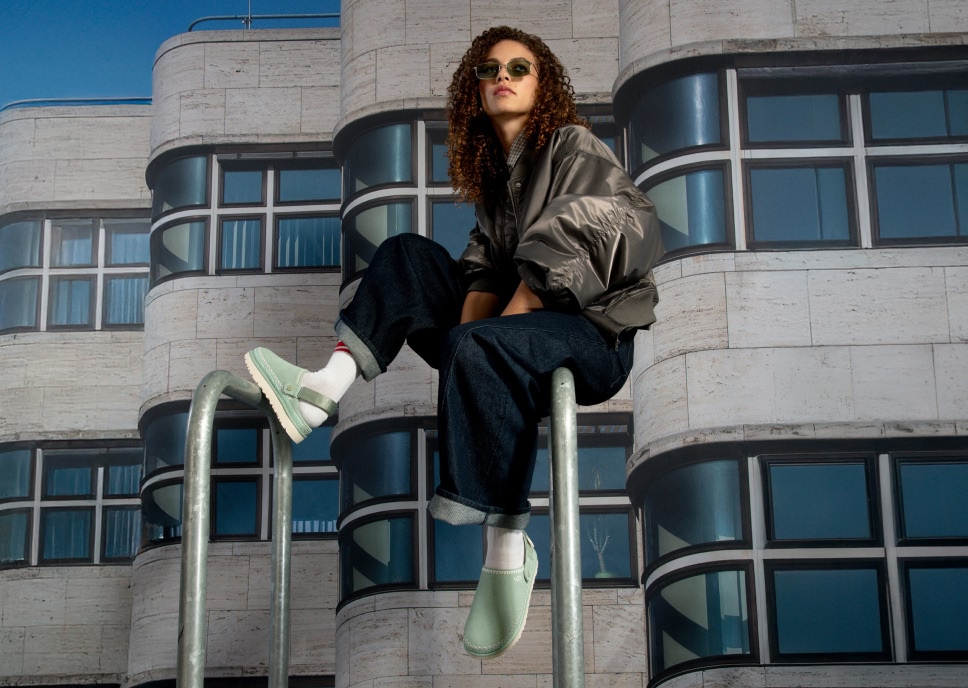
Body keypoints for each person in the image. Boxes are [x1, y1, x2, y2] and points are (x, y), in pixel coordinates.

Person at [245, 25, 663, 659]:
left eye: (519, 68)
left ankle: (505, 547)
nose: (503, 77)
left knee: (486, 350)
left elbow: (598, 232)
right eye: (489, 69)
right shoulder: (499, 182)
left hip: (593, 334)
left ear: (542, 84)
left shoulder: (572, 146)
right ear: (474, 90)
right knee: (409, 256)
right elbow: (483, 273)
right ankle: (321, 392)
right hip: (515, 334)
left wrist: (481, 339)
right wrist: (470, 332)